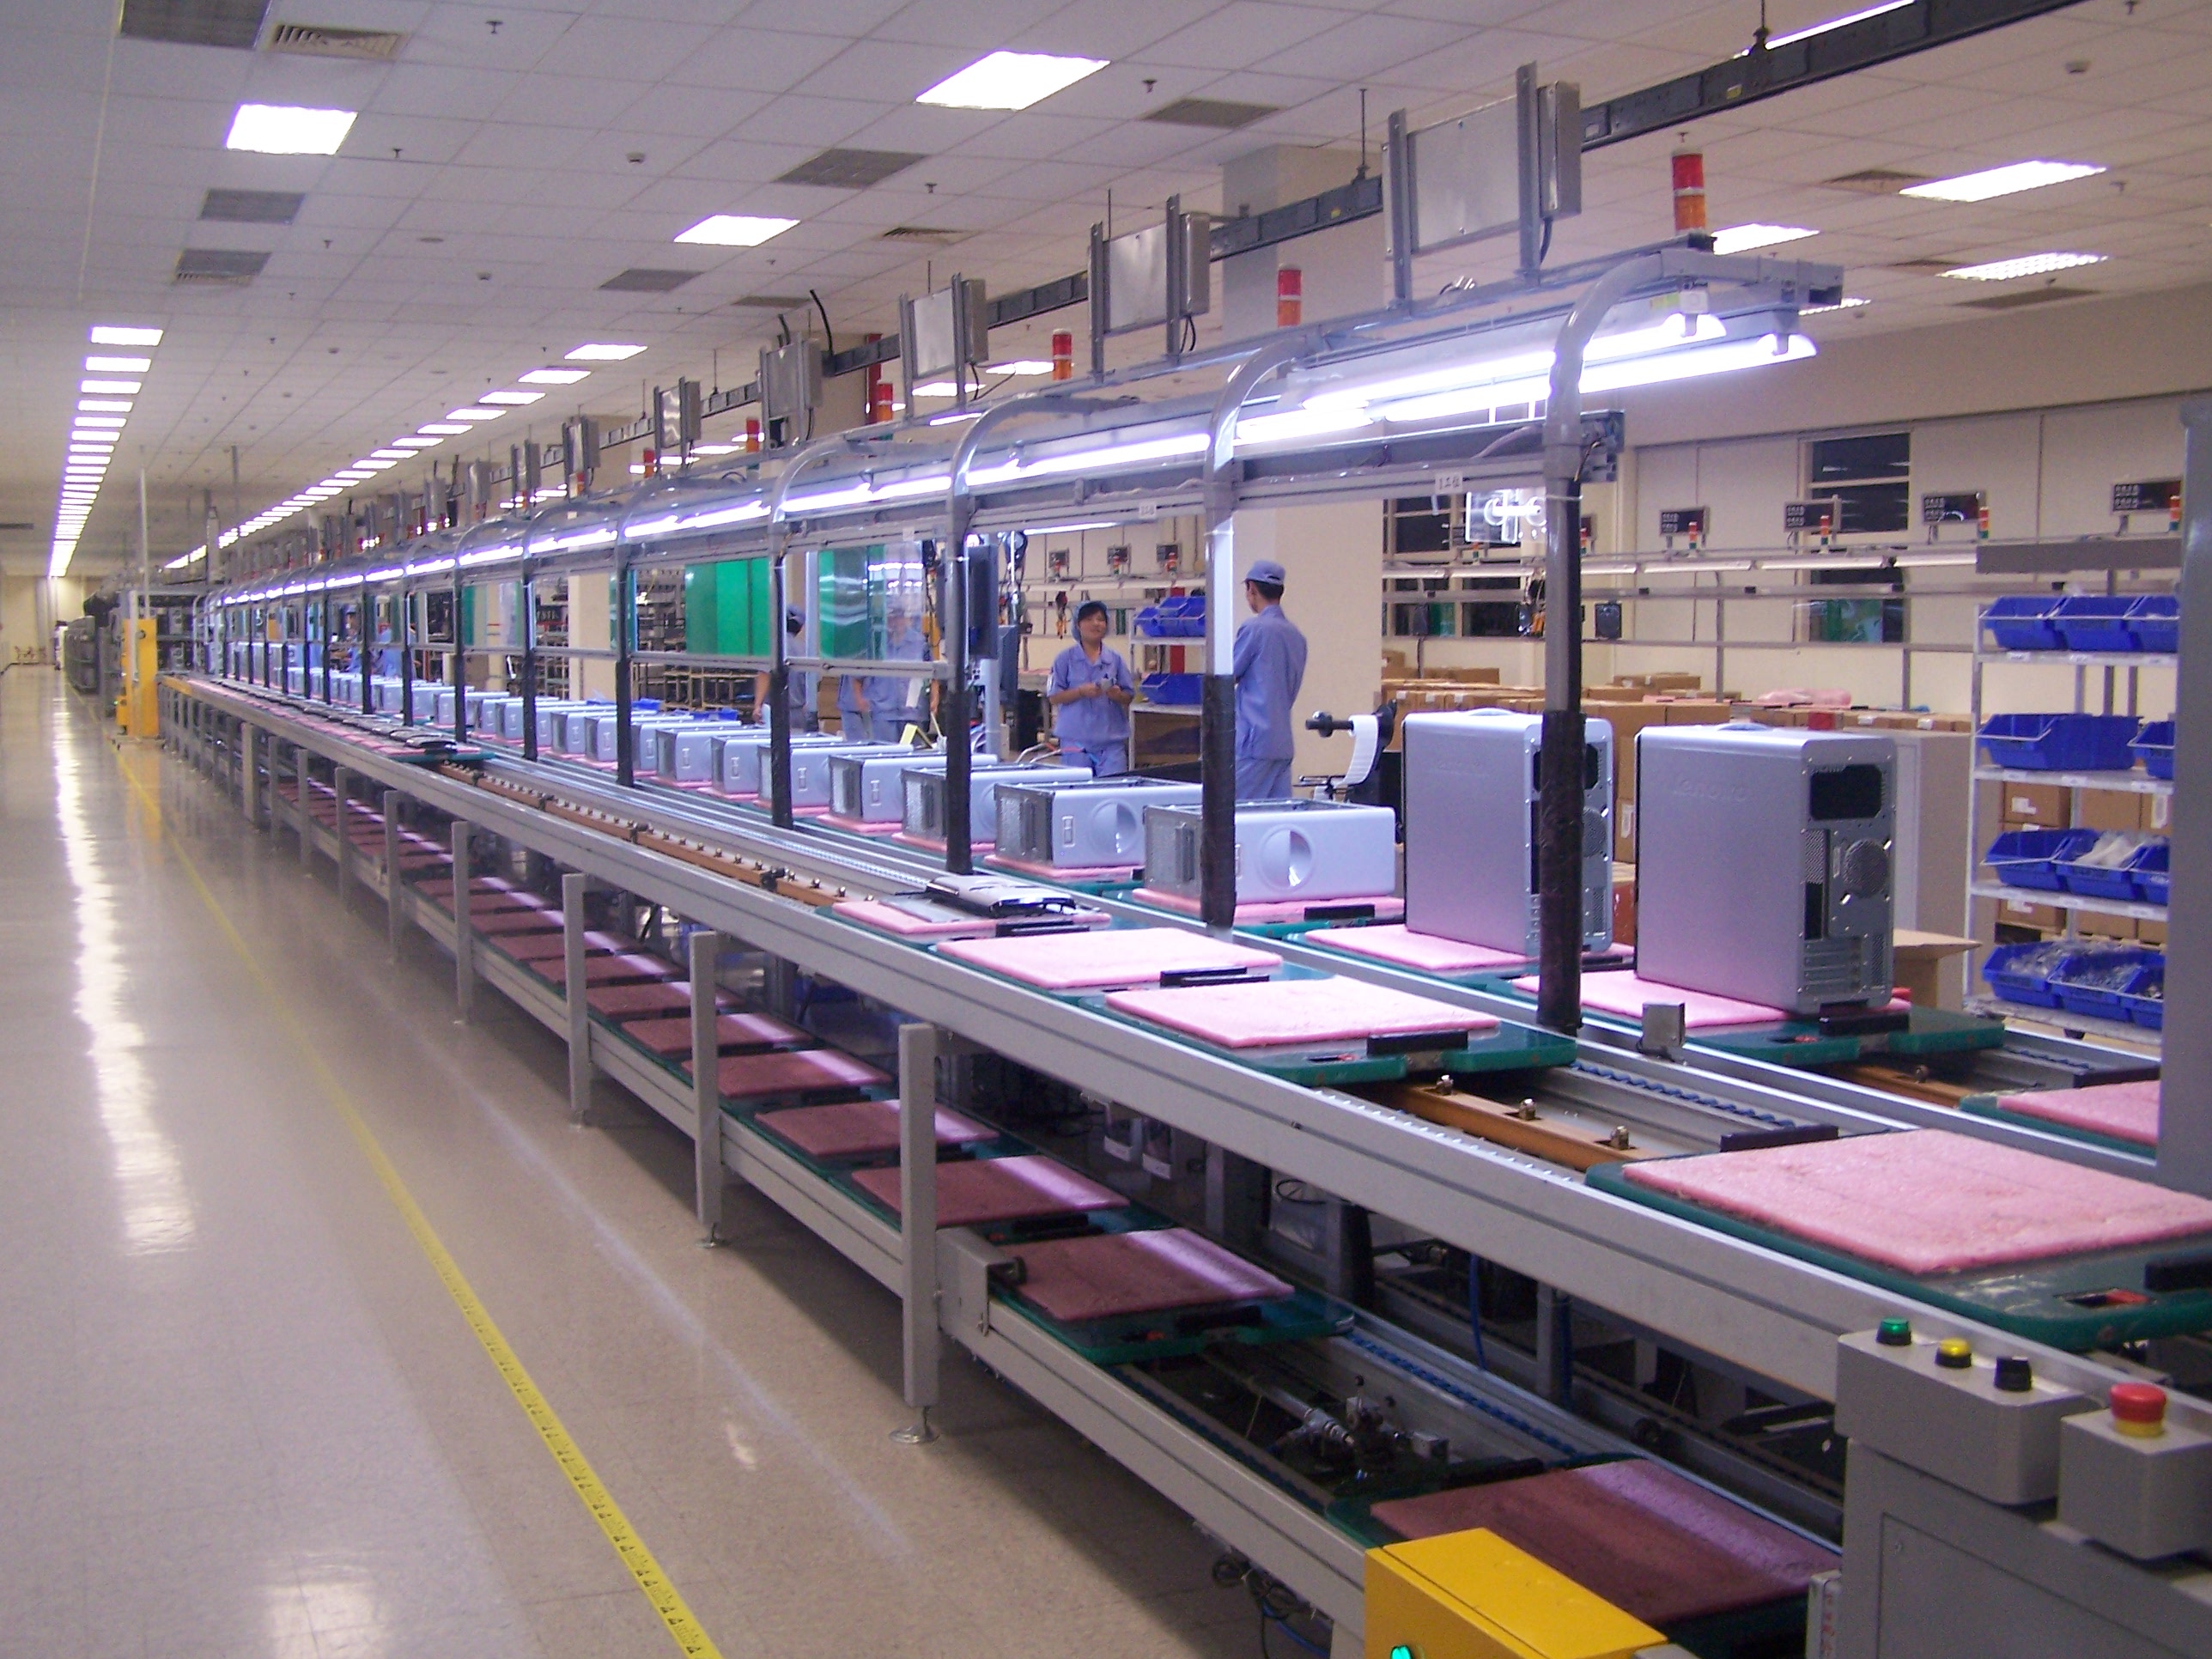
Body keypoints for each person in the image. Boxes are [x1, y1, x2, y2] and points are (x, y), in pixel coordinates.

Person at [1232, 558, 1307, 801]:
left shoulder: (1254, 629)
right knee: (1276, 817)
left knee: (1238, 815)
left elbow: (1226, 677)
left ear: (1251, 588)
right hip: (1281, 745)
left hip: (1253, 745)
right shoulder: (1296, 637)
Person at [1046, 599, 1134, 776]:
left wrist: (1117, 695)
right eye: (1089, 619)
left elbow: (1129, 695)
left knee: (1112, 786)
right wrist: (1080, 692)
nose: (1096, 624)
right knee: (1078, 788)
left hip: (1110, 741)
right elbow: (1054, 697)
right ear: (1078, 625)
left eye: (1100, 619)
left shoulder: (1115, 659)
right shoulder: (1064, 659)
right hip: (1075, 741)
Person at [752, 606, 816, 731]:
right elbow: (814, 680)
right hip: (799, 711)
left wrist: (757, 706)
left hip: (774, 710)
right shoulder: (804, 649)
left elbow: (765, 675)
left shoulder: (773, 646)